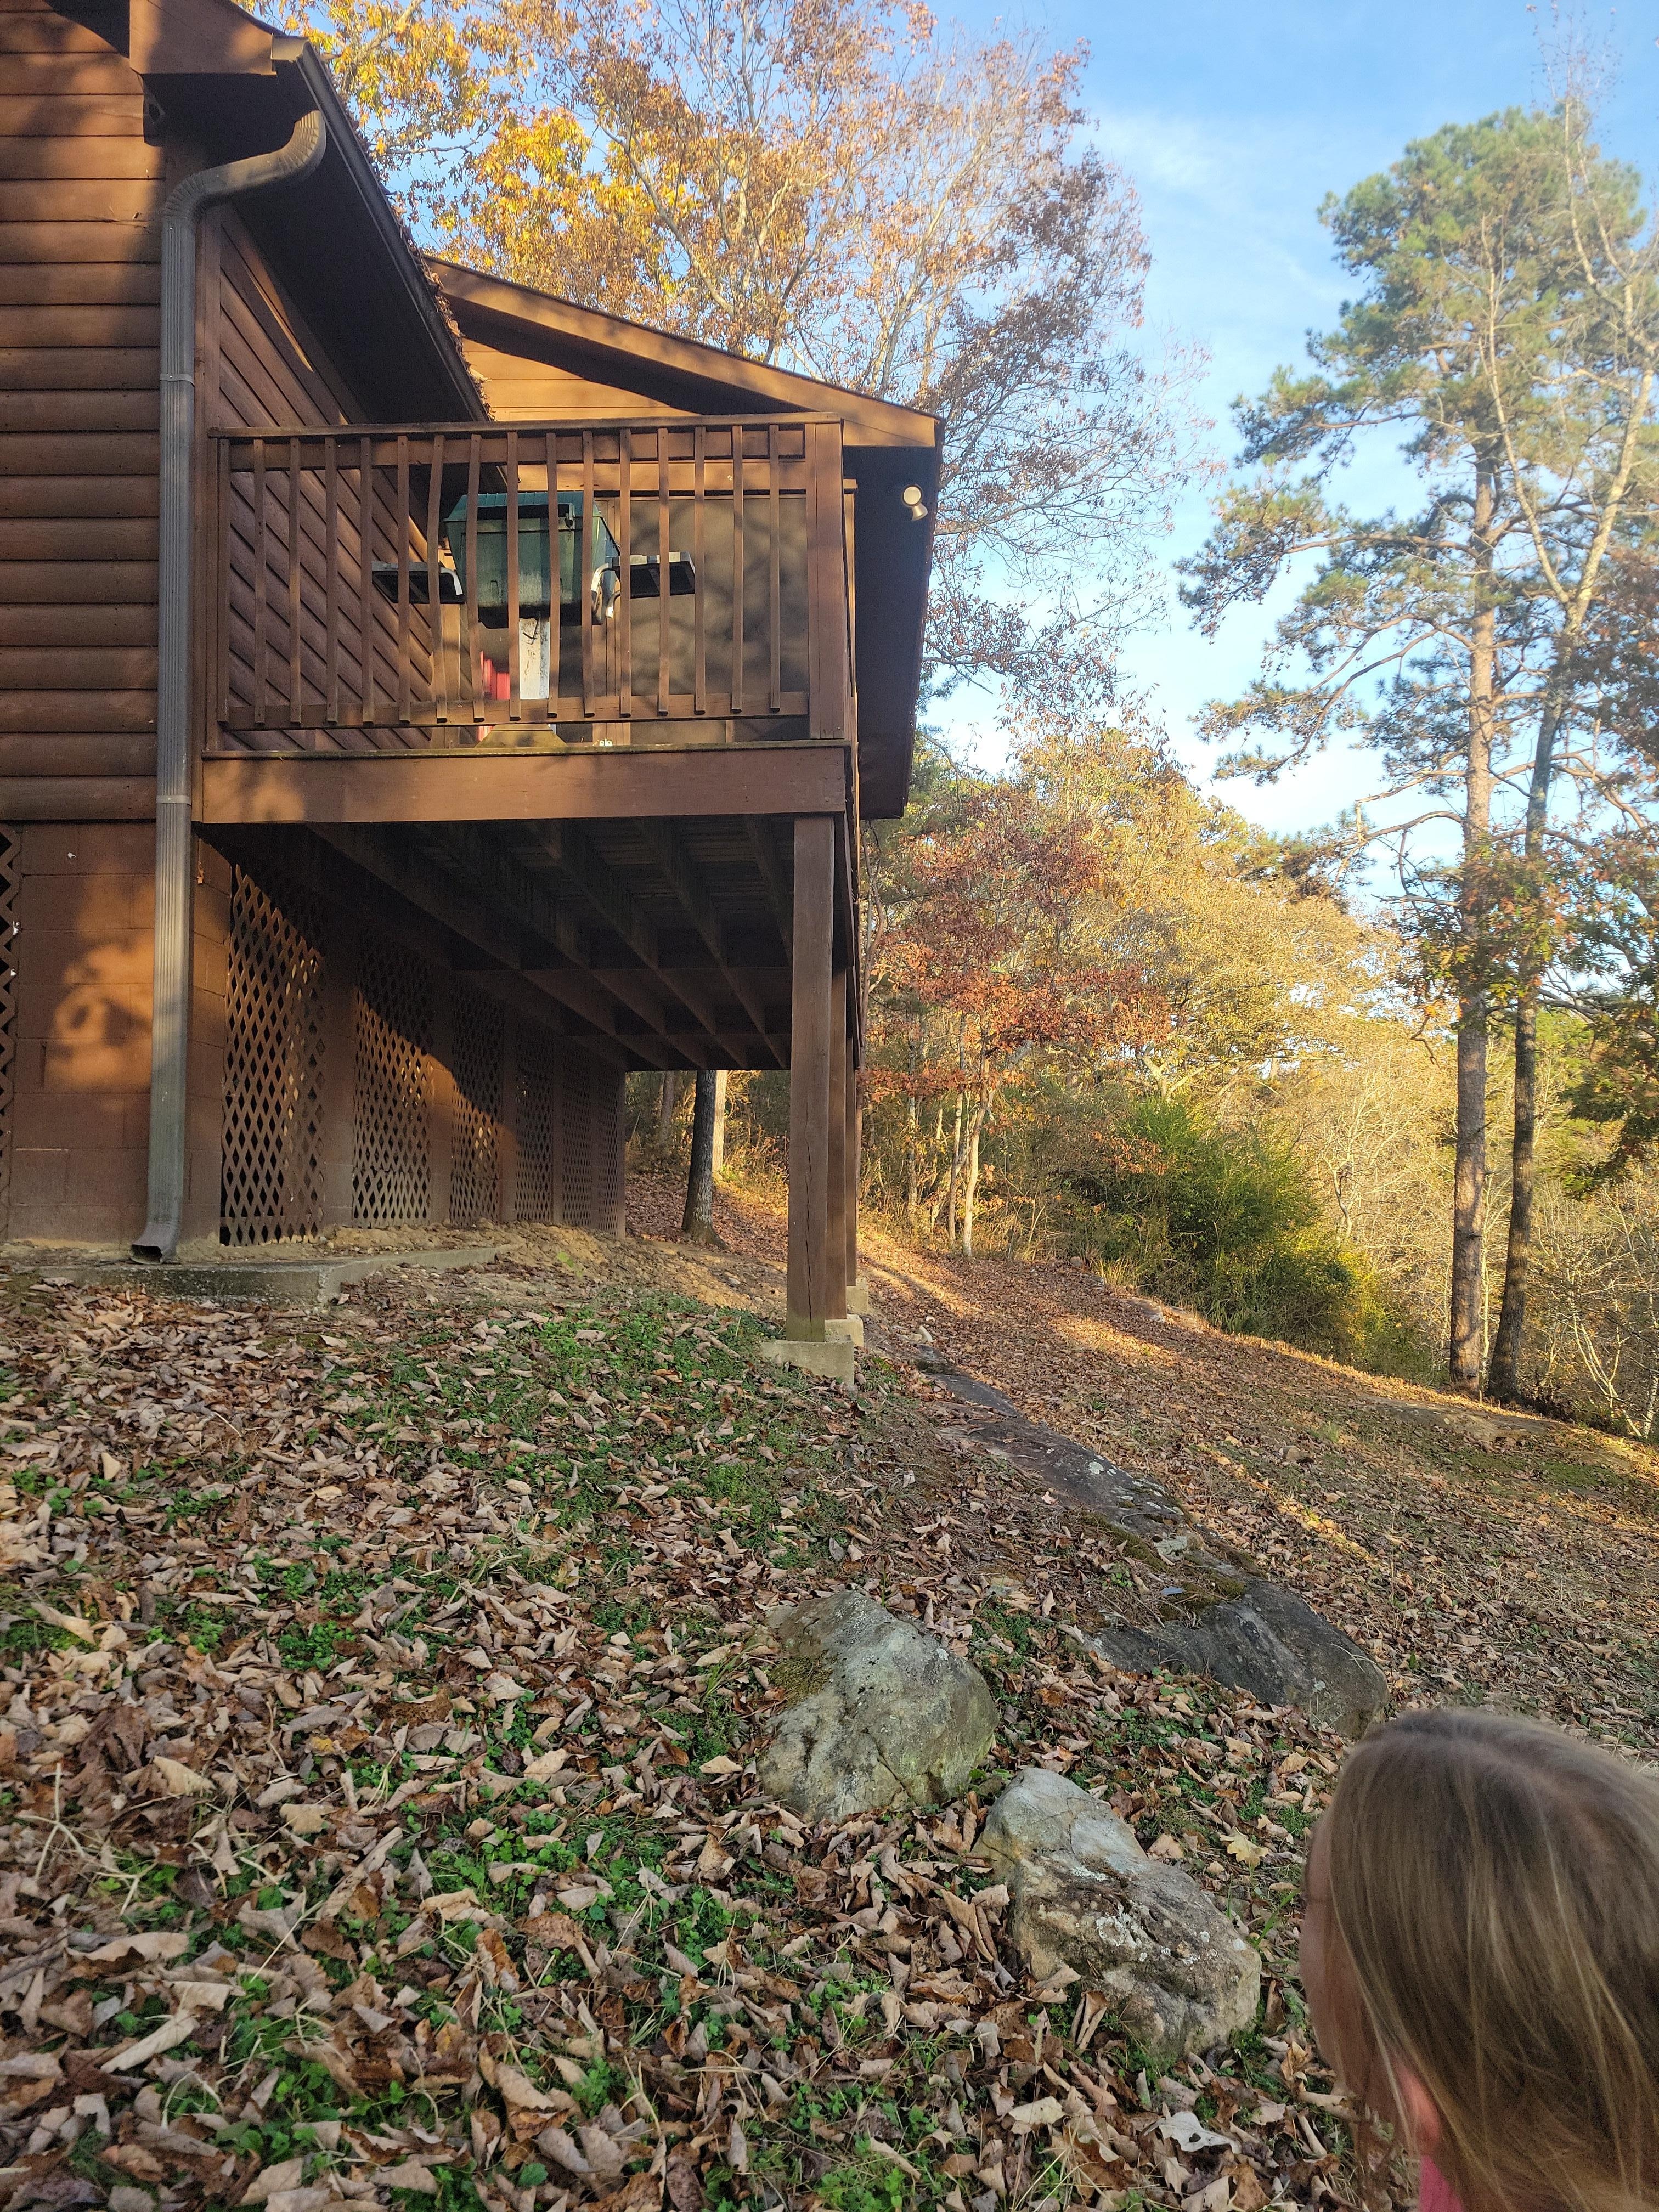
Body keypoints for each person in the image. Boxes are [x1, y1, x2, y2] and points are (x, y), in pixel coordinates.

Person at [1297, 1707, 1659, 2211]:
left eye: (1309, 1902)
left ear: (1409, 2100)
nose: (1299, 1927)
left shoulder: (1480, 2151)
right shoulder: (1485, 2144)